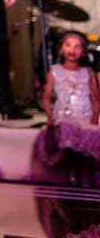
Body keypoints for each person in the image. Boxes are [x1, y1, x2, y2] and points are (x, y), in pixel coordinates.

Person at [36, 30, 100, 184]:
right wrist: (50, 117)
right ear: (61, 49)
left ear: (83, 52)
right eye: (68, 45)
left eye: (77, 47)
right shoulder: (55, 71)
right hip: (64, 115)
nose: (72, 50)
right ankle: (72, 175)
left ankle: (86, 176)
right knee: (67, 136)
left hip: (85, 114)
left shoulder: (87, 72)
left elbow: (96, 97)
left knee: (89, 143)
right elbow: (46, 96)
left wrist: (95, 116)